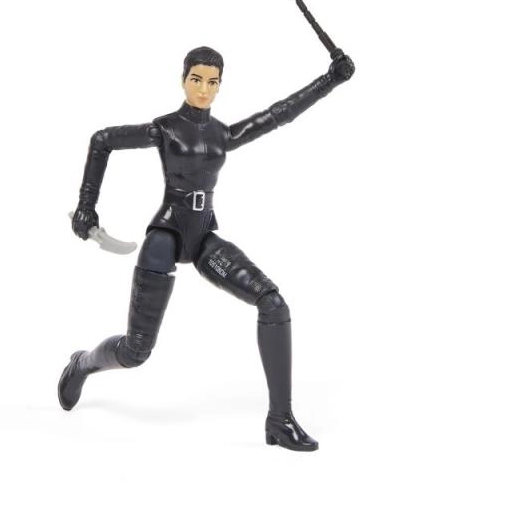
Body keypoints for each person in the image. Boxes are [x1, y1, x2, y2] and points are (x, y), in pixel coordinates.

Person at [58, 45, 354, 450]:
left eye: (212, 82)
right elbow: (102, 140)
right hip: (165, 236)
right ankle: (82, 363)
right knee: (135, 351)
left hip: (203, 239)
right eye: (196, 79)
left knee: (273, 304)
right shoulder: (164, 129)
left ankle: (280, 420)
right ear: (183, 80)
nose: (203, 89)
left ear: (220, 86)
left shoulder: (222, 135)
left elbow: (280, 113)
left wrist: (330, 80)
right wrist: (86, 206)